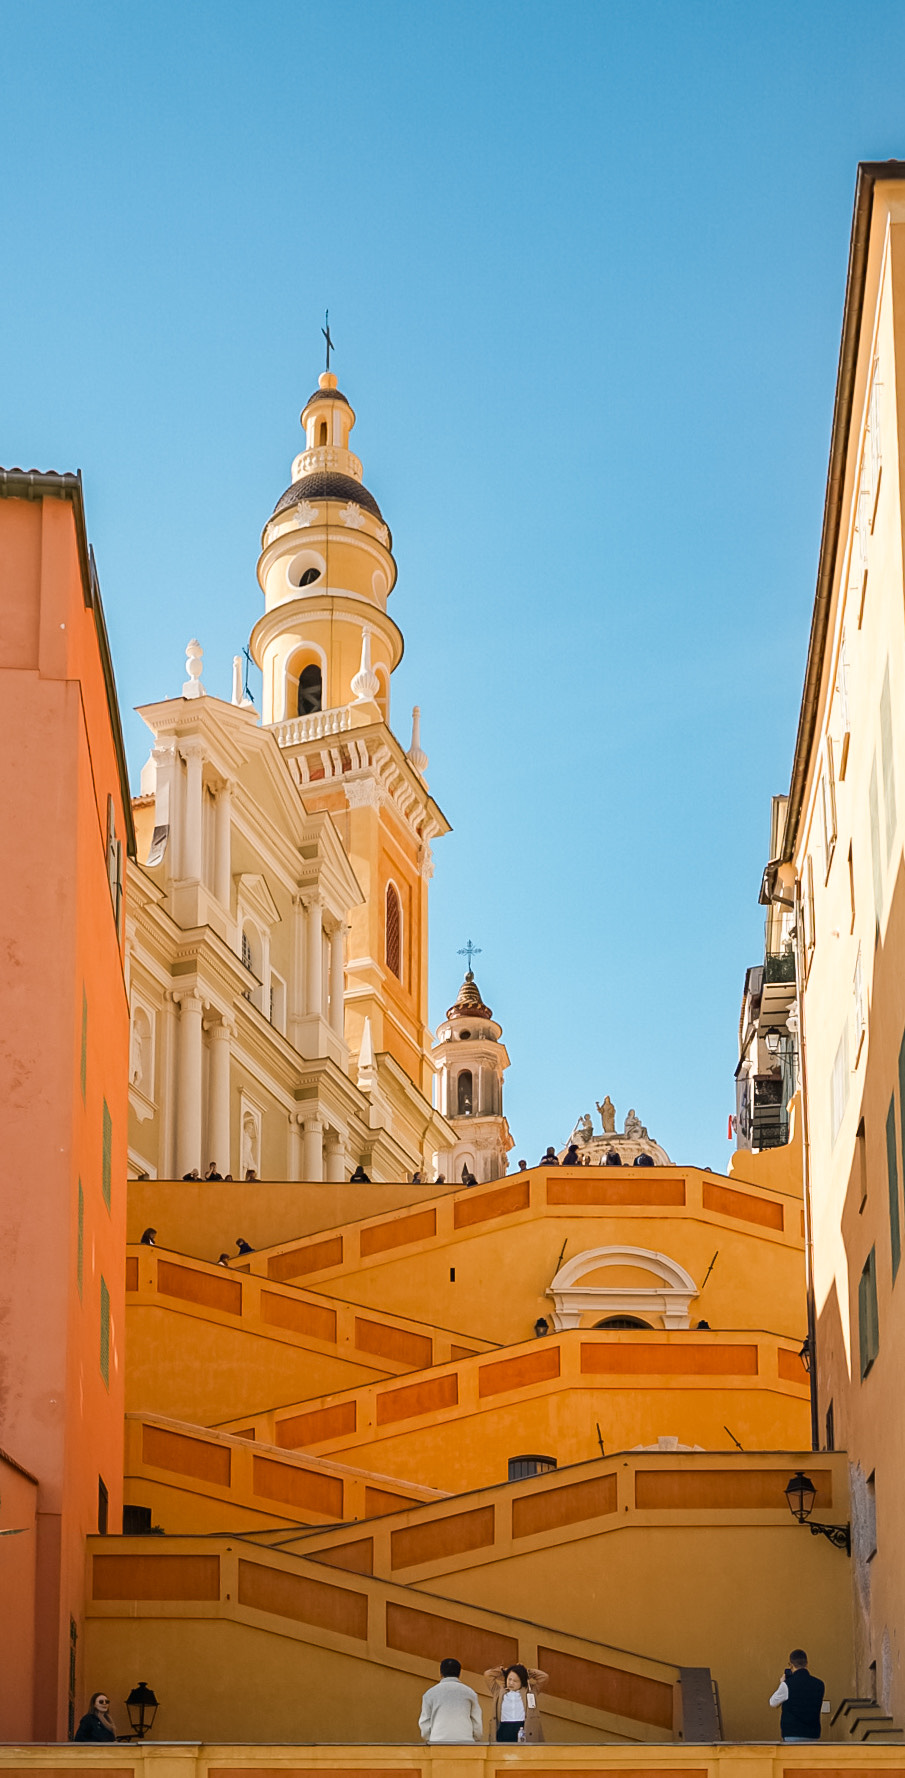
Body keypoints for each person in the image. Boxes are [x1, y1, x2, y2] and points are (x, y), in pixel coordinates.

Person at [419, 1657, 483, 1744]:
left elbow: (424, 1722)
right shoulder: (470, 1693)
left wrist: (432, 1737)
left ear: (440, 1673)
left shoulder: (430, 1694)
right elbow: (477, 1722)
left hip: (437, 1741)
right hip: (465, 1742)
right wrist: (475, 1738)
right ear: (459, 1673)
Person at [769, 1649, 825, 1742]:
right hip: (813, 1734)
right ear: (807, 1664)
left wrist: (782, 1683)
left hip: (792, 1733)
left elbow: (773, 1703)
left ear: (791, 1665)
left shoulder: (787, 1685)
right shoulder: (819, 1684)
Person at [484, 1663, 548, 1743]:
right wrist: (503, 1671)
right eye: (509, 1679)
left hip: (523, 1728)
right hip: (504, 1728)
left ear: (522, 1681)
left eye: (515, 1681)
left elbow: (544, 1677)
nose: (511, 1683)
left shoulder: (530, 1691)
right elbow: (488, 1675)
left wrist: (527, 1672)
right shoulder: (499, 1692)